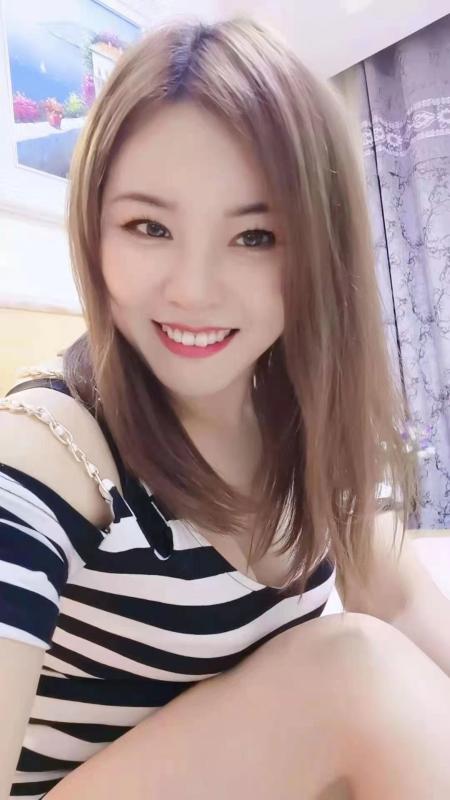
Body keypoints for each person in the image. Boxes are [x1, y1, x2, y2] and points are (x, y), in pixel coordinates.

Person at [0, 15, 449, 800]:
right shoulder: (51, 448)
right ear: (94, 230)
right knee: (352, 673)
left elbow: (400, 596)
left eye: (256, 237)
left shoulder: (309, 422)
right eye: (149, 226)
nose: (194, 289)